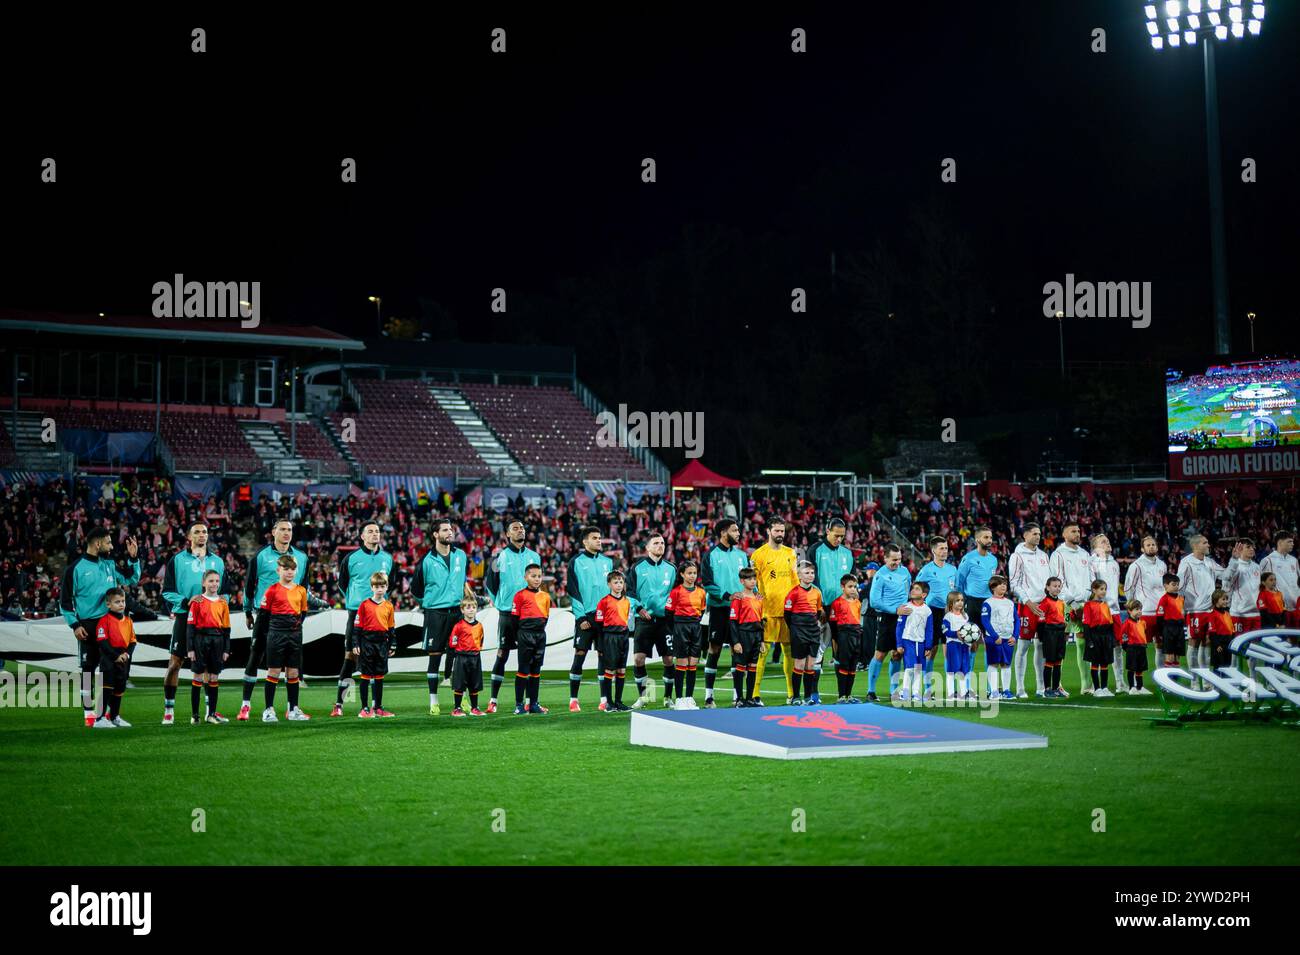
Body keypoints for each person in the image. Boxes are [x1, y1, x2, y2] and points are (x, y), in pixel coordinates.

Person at [59, 526, 140, 726]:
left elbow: (132, 579)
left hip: (112, 625)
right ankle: (89, 714)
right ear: (97, 543)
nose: (111, 546)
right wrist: (75, 625)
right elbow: (65, 602)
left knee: (113, 670)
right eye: (109, 542)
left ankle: (112, 716)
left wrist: (133, 559)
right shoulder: (75, 569)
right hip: (87, 626)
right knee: (88, 669)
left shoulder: (110, 565)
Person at [240, 519, 308, 721]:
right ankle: (246, 705)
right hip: (265, 616)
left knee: (292, 665)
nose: (287, 533)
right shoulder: (261, 556)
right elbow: (250, 585)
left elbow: (304, 586)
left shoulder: (302, 557)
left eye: (289, 530)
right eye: (282, 529)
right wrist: (247, 611)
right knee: (256, 658)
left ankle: (291, 708)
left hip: (290, 620)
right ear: (273, 532)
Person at [161, 522, 227, 726]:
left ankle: (210, 712)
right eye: (197, 532)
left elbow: (226, 591)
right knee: (175, 664)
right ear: (189, 536)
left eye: (205, 532)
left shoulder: (217, 561)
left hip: (210, 621)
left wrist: (217, 606)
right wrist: (185, 602)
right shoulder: (177, 560)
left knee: (209, 667)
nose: (201, 535)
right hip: (184, 617)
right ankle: (169, 710)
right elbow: (167, 591)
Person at [407, 519, 472, 717]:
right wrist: (432, 602)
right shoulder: (426, 561)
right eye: (445, 530)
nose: (449, 532)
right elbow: (416, 590)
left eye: (450, 529)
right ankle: (434, 701)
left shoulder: (461, 555)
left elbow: (463, 582)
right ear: (435, 534)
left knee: (461, 658)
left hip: (457, 613)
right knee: (435, 658)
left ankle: (462, 700)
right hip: (435, 614)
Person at [334, 522, 394, 717]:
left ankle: (377, 706)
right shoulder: (351, 558)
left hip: (379, 616)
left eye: (377, 531)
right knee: (350, 658)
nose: (375, 534)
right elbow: (343, 584)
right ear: (362, 536)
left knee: (377, 661)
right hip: (357, 615)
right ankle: (339, 704)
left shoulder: (387, 559)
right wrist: (356, 602)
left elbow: (389, 585)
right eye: (370, 531)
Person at [483, 519, 541, 712]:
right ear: (507, 534)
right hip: (508, 613)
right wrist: (501, 603)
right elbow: (491, 583)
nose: (520, 531)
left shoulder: (534, 556)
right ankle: (493, 700)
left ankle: (531, 702)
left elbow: (537, 584)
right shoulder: (498, 556)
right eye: (515, 529)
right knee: (503, 654)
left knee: (530, 658)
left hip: (529, 615)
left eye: (522, 528)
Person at [259, 554, 321, 722]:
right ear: (278, 570)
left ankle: (293, 709)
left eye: (293, 569)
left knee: (293, 672)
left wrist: (294, 628)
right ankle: (268, 710)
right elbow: (263, 616)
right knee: (273, 671)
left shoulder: (301, 590)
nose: (290, 572)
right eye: (286, 569)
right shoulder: (272, 590)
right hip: (276, 634)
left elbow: (303, 613)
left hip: (294, 635)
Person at [748, 517, 800, 702]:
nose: (780, 534)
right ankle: (754, 695)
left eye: (782, 531)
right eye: (777, 531)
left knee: (789, 652)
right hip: (767, 611)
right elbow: (751, 582)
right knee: (762, 652)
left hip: (787, 612)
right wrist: (757, 601)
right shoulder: (759, 555)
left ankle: (792, 694)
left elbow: (796, 582)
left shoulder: (791, 553)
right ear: (768, 531)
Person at [699, 519, 749, 708]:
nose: (738, 533)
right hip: (719, 609)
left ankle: (737, 697)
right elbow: (707, 582)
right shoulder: (710, 555)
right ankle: (709, 697)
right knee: (715, 650)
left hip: (740, 610)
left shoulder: (742, 556)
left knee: (738, 650)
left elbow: (750, 581)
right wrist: (726, 595)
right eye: (734, 530)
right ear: (723, 533)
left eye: (738, 530)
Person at [626, 533, 677, 709]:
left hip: (664, 621)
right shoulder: (637, 567)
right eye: (656, 543)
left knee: (669, 659)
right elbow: (630, 593)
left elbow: (676, 594)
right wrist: (639, 608)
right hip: (644, 620)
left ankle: (668, 698)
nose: (660, 546)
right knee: (639, 659)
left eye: (662, 543)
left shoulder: (671, 569)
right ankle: (643, 697)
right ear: (647, 548)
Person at [565, 525, 613, 712]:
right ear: (585, 541)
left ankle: (603, 700)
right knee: (580, 655)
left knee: (603, 657)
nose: (599, 540)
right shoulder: (575, 562)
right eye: (594, 538)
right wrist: (580, 617)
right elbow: (572, 590)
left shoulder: (608, 562)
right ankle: (573, 699)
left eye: (600, 537)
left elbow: (613, 590)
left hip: (604, 618)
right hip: (586, 617)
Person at [1176, 535, 1229, 690]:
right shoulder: (1186, 563)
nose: (1208, 545)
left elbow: (1225, 574)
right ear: (1196, 546)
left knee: (1207, 643)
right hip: (1196, 610)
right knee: (1194, 643)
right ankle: (1194, 680)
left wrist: (1234, 560)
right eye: (1205, 543)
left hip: (1211, 610)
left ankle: (1205, 681)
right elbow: (1180, 586)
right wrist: (1181, 607)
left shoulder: (1209, 562)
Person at [806, 518, 853, 685]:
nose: (839, 539)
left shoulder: (847, 554)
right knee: (818, 650)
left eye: (842, 536)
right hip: (822, 608)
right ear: (827, 531)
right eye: (836, 535)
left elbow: (851, 584)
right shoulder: (815, 550)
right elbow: (810, 580)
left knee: (841, 651)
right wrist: (818, 607)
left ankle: (842, 694)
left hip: (841, 609)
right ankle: (814, 693)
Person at [1049, 522, 1092, 695]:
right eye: (1073, 531)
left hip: (1084, 603)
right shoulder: (1058, 554)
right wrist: (1073, 603)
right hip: (1065, 604)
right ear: (1064, 534)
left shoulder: (1085, 554)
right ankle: (1056, 684)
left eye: (1078, 531)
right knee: (1061, 642)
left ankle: (1086, 686)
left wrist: (1086, 599)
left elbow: (1091, 578)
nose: (1077, 534)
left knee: (1083, 643)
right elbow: (1058, 581)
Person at [1009, 524, 1050, 698]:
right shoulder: (1017, 556)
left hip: (1044, 605)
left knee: (1040, 646)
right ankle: (1020, 687)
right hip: (1027, 606)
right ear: (1025, 535)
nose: (1038, 536)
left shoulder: (1043, 556)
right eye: (1034, 534)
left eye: (1039, 534)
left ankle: (1041, 687)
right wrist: (1028, 601)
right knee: (1023, 646)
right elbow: (1014, 583)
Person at [866, 544, 911, 702]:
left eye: (899, 559)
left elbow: (907, 591)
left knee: (898, 653)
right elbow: (874, 602)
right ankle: (871, 690)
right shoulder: (880, 575)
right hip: (887, 618)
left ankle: (894, 690)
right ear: (885, 558)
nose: (897, 562)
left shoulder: (905, 571)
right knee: (880, 654)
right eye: (893, 560)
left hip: (903, 618)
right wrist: (894, 610)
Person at [915, 536, 959, 698]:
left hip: (949, 614)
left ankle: (951, 690)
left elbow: (957, 590)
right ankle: (927, 688)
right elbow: (916, 589)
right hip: (932, 613)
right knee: (930, 651)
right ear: (933, 550)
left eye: (946, 548)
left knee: (950, 651)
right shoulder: (926, 570)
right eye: (941, 548)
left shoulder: (953, 570)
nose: (944, 551)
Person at [186, 569, 231, 724]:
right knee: (198, 676)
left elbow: (226, 629)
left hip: (217, 641)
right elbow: (190, 627)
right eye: (211, 581)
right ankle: (195, 715)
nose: (214, 584)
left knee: (213, 677)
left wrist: (226, 649)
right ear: (204, 583)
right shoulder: (197, 602)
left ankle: (211, 714)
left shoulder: (223, 602)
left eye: (217, 581)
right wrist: (190, 648)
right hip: (200, 639)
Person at [355, 571, 398, 719]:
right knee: (365, 676)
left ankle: (378, 707)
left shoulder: (389, 606)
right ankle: (364, 708)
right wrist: (356, 643)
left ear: (386, 587)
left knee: (379, 676)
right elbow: (358, 627)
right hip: (367, 643)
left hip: (382, 644)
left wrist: (393, 644)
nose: (380, 589)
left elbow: (391, 627)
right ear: (372, 587)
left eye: (383, 586)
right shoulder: (364, 605)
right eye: (376, 586)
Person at [92, 587, 136, 729]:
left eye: (123, 601)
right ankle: (98, 719)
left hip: (124, 658)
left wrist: (126, 654)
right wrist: (115, 656)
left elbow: (133, 641)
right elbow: (102, 641)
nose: (121, 604)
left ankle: (115, 717)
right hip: (109, 658)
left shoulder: (128, 621)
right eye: (117, 602)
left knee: (119, 688)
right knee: (106, 688)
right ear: (108, 604)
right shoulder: (104, 620)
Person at [1123, 536, 1167, 675]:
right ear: (1142, 548)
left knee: (1161, 646)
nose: (1151, 547)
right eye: (1148, 545)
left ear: (1157, 547)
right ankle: (1136, 682)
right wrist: (1132, 609)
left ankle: (1161, 679)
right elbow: (1128, 587)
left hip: (1160, 613)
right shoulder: (1136, 565)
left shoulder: (1162, 565)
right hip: (1144, 613)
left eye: (1153, 544)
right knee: (1139, 646)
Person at [666, 561, 707, 709]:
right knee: (682, 663)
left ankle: (689, 698)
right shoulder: (676, 591)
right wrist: (676, 629)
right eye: (689, 573)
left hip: (695, 627)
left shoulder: (701, 592)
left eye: (694, 573)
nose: (692, 576)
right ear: (682, 574)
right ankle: (679, 699)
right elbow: (668, 613)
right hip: (680, 628)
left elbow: (701, 611)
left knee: (693, 663)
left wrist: (694, 623)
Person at [593, 571, 635, 712]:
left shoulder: (627, 601)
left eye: (621, 582)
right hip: (609, 637)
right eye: (616, 582)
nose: (619, 585)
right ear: (609, 584)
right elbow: (598, 626)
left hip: (623, 636)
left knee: (621, 670)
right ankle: (608, 703)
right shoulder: (604, 602)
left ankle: (618, 702)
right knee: (609, 670)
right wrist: (600, 645)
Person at [511, 563, 551, 715]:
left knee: (536, 670)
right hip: (525, 635)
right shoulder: (520, 595)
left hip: (540, 635)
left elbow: (545, 618)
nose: (536, 579)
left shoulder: (546, 596)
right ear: (526, 577)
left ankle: (533, 704)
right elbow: (514, 620)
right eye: (533, 576)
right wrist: (518, 637)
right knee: (523, 670)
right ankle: (519, 705)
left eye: (539, 576)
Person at [783, 560, 825, 705]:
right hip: (798, 631)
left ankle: (808, 697)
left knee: (810, 665)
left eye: (812, 573)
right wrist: (796, 628)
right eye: (806, 573)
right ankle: (795, 697)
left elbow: (818, 611)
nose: (810, 575)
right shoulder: (793, 593)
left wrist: (813, 624)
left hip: (813, 631)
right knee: (799, 665)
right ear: (799, 575)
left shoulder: (817, 592)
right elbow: (787, 615)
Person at [1088, 534, 1125, 693]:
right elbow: (1090, 586)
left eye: (1108, 540)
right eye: (1103, 542)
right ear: (1096, 547)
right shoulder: (1092, 563)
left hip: (1115, 611)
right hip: (1099, 611)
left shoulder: (1115, 563)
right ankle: (1095, 685)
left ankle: (1120, 683)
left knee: (1118, 647)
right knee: (1097, 649)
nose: (1107, 542)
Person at [728, 568, 765, 707]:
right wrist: (736, 642)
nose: (753, 581)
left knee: (753, 667)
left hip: (756, 635)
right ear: (742, 581)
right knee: (740, 667)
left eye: (754, 579)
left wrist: (761, 640)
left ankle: (750, 698)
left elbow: (760, 621)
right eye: (749, 579)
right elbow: (732, 621)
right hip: (743, 635)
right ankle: (739, 699)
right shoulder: (739, 599)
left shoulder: (759, 598)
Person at [980, 575, 1018, 700]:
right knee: (993, 664)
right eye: (1000, 584)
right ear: (993, 587)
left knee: (1006, 664)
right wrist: (995, 636)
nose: (1003, 586)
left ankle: (1006, 690)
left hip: (1009, 639)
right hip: (994, 638)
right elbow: (985, 621)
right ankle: (994, 691)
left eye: (1005, 584)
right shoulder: (988, 603)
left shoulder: (1010, 603)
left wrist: (1015, 636)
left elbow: (1016, 620)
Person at [828, 574, 865, 703]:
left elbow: (859, 619)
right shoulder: (837, 603)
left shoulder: (857, 602)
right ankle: (841, 696)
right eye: (850, 587)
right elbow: (832, 625)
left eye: (855, 587)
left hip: (856, 635)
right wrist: (836, 642)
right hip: (843, 635)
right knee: (844, 665)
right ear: (842, 587)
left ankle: (849, 695)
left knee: (852, 666)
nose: (853, 589)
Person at [895, 581, 933, 704]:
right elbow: (899, 627)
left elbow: (929, 629)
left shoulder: (927, 611)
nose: (912, 590)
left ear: (924, 595)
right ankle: (905, 692)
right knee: (909, 668)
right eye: (912, 588)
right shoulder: (906, 608)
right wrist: (899, 644)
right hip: (908, 641)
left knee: (919, 668)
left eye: (917, 589)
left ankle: (916, 693)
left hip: (921, 643)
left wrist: (928, 646)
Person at [448, 595, 486, 717]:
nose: (471, 609)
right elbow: (452, 642)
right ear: (462, 610)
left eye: (473, 607)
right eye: (468, 607)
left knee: (474, 684)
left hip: (475, 657)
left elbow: (481, 640)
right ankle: (457, 708)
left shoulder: (479, 626)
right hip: (461, 658)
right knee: (459, 684)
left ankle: (475, 708)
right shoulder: (458, 626)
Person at [1081, 579, 1115, 697]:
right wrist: (1089, 640)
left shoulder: (1105, 605)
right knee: (1095, 663)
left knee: (1105, 663)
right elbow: (1086, 624)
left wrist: (1112, 638)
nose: (1104, 591)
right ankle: (1097, 689)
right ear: (1094, 590)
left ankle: (1104, 688)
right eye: (1101, 589)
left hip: (1106, 636)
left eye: (1105, 589)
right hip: (1094, 636)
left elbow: (1110, 623)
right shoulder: (1088, 605)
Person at [1259, 532, 1298, 630]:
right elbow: (1260, 584)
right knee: (1281, 640)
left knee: (1296, 640)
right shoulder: (1268, 561)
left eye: (1292, 542)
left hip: (1296, 607)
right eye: (1289, 541)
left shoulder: (1294, 560)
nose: (1292, 544)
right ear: (1280, 543)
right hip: (1279, 610)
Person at [1037, 576, 1068, 698]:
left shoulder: (1061, 602)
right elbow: (1040, 621)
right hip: (1050, 633)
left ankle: (1056, 688)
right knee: (1050, 661)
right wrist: (1042, 637)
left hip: (1060, 633)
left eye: (1059, 586)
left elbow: (1064, 618)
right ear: (1048, 587)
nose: (1057, 588)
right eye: (1054, 586)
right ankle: (1047, 689)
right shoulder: (1045, 603)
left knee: (1058, 661)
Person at [1223, 540, 1261, 639]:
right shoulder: (1235, 566)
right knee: (1237, 647)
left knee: (1255, 647)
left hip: (1256, 613)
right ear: (1240, 549)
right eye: (1248, 547)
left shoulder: (1257, 567)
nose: (1252, 549)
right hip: (1239, 613)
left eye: (1253, 547)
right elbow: (1226, 579)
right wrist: (1234, 559)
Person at [940, 592, 974, 702]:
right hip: (953, 644)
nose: (960, 603)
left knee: (964, 668)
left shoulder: (965, 616)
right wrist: (956, 634)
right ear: (951, 603)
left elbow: (969, 630)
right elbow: (945, 631)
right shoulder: (948, 616)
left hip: (964, 645)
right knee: (953, 669)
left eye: (962, 600)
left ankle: (963, 693)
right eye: (957, 601)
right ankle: (950, 693)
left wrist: (971, 639)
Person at [1118, 599, 1152, 695]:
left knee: (1140, 668)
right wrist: (1127, 648)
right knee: (1132, 668)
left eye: (1140, 609)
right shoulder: (1127, 623)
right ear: (1129, 611)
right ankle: (1132, 687)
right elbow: (1123, 636)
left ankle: (1140, 687)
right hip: (1132, 648)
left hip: (1141, 648)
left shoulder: (1143, 623)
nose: (1139, 611)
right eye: (1136, 609)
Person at [1156, 573, 1187, 670]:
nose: (1176, 587)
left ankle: (1175, 681)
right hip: (1169, 628)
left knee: (1177, 656)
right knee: (1169, 656)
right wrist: (1160, 632)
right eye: (1173, 584)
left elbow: (1182, 613)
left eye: (1177, 584)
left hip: (1179, 628)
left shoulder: (1181, 598)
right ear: (1165, 586)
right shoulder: (1164, 599)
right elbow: (1159, 617)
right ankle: (1168, 680)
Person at [1206, 588, 1235, 671]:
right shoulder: (1212, 615)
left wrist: (1232, 641)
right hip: (1219, 645)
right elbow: (1212, 632)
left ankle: (1225, 683)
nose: (1226, 601)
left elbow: (1231, 629)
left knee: (1227, 666)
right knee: (1218, 667)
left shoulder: (1227, 614)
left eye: (1226, 599)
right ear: (1216, 601)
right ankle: (1217, 683)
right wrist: (1217, 645)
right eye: (1223, 599)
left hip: (1228, 644)